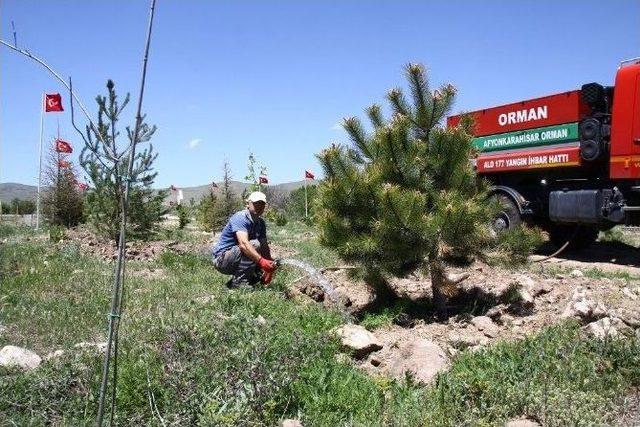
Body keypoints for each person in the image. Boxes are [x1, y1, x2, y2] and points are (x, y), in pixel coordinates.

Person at [212, 191, 278, 289]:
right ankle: (240, 283)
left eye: (262, 204)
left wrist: (269, 269)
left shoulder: (261, 223)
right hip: (222, 260)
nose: (259, 206)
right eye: (256, 203)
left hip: (235, 257)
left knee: (259, 269)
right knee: (254, 245)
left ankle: (234, 285)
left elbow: (264, 247)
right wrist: (262, 261)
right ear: (248, 204)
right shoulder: (241, 217)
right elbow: (244, 244)